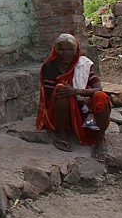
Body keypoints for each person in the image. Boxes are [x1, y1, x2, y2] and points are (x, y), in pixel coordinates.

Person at [36, 33, 111, 161]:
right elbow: (49, 96)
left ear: (76, 51)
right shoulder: (50, 66)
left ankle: (99, 139)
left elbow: (98, 88)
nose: (66, 53)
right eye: (62, 50)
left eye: (70, 50)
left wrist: (77, 92)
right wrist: (70, 94)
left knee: (100, 97)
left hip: (84, 106)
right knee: (61, 89)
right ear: (56, 50)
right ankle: (61, 134)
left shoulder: (83, 65)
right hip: (61, 111)